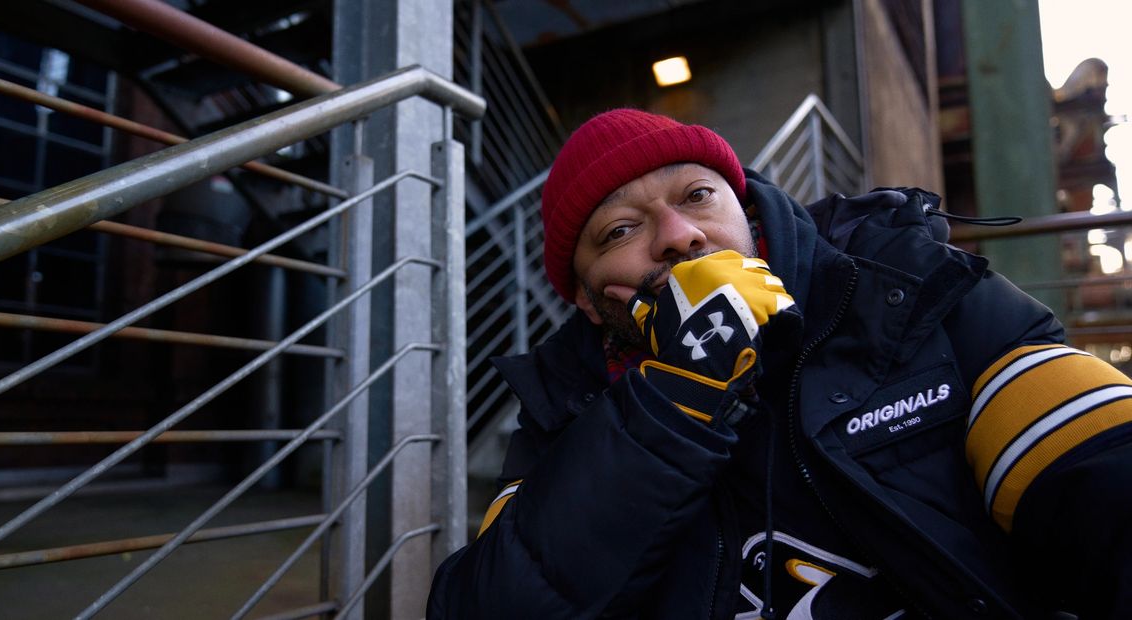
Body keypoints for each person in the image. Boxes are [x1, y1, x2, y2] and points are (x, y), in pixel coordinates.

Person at [427, 109, 1132, 619]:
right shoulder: (564, 401)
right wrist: (671, 399)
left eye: (697, 195)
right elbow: (489, 602)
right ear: (588, 301)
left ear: (746, 209)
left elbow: (1092, 457)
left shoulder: (908, 291)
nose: (680, 236)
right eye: (621, 230)